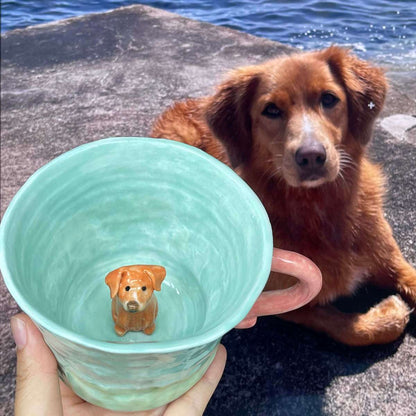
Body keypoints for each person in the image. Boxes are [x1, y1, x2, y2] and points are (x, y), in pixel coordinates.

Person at [10, 313, 227, 416]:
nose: (134, 297)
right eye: (127, 289)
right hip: (82, 383)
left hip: (165, 381)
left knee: (145, 318)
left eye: (143, 288)